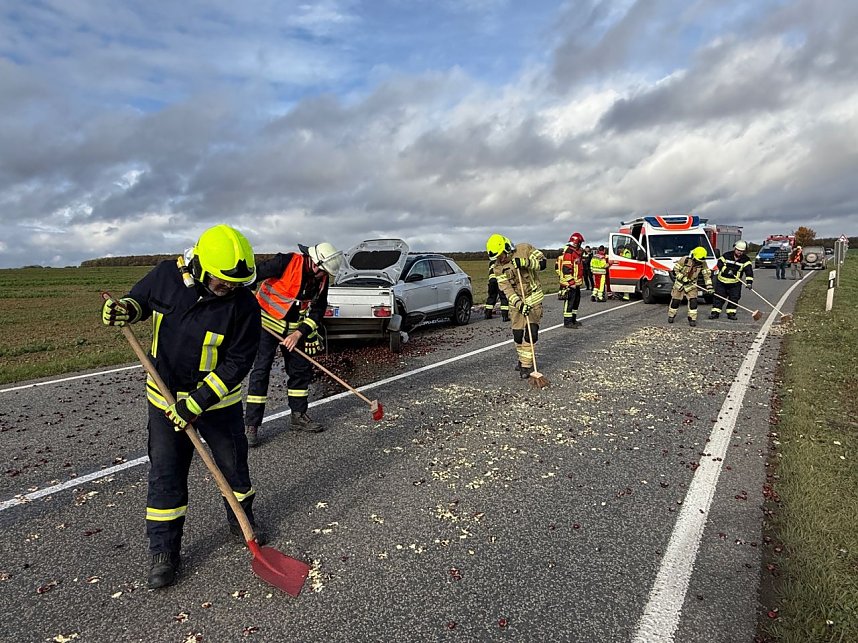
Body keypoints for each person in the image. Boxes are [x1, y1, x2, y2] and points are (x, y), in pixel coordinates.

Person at [101, 224, 263, 589]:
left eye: (236, 284)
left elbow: (237, 363)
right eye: (223, 282)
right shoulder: (166, 277)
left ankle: (243, 523)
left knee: (234, 469)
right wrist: (124, 309)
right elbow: (138, 302)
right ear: (200, 267)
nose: (230, 289)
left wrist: (199, 402)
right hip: (166, 400)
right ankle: (163, 553)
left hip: (218, 404)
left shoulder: (244, 307)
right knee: (166, 475)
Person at [244, 243, 345, 445]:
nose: (322, 275)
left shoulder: (322, 280)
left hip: (293, 331)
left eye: (326, 273)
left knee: (300, 371)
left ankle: (298, 415)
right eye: (321, 270)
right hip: (266, 325)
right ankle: (252, 425)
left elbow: (318, 310)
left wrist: (299, 333)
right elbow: (252, 276)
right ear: (314, 261)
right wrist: (245, 300)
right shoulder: (286, 262)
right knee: (261, 371)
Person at [486, 234, 546, 378]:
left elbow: (543, 264)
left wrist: (526, 262)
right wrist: (519, 304)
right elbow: (506, 289)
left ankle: (526, 366)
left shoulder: (525, 248)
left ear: (507, 248)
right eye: (497, 258)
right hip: (517, 303)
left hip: (533, 298)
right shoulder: (497, 268)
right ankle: (522, 360)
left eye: (501, 256)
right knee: (518, 335)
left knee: (531, 333)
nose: (500, 260)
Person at [667, 247, 712, 327]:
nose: (699, 262)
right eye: (698, 260)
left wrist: (709, 287)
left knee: (693, 301)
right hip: (680, 284)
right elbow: (675, 271)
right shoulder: (685, 260)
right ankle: (671, 315)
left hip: (691, 285)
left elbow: (707, 276)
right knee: (675, 301)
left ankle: (692, 319)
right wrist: (683, 278)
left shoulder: (703, 263)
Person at [710, 240, 754, 320]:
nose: (739, 252)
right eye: (738, 250)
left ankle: (731, 313)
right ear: (735, 248)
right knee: (719, 297)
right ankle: (715, 313)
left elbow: (749, 272)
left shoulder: (746, 260)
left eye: (741, 251)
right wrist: (726, 270)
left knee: (734, 298)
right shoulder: (727, 255)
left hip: (735, 283)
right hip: (722, 281)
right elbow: (719, 264)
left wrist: (749, 283)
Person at [559, 232, 585, 328]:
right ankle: (567, 322)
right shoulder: (569, 252)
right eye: (579, 243)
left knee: (576, 301)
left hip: (576, 282)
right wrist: (571, 282)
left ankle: (573, 319)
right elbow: (566, 268)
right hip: (570, 283)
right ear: (576, 242)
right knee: (569, 302)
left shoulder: (576, 252)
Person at [484, 256, 510, 321]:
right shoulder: (501, 262)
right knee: (503, 298)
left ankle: (488, 314)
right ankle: (505, 317)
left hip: (492, 282)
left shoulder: (491, 263)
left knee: (491, 297)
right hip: (500, 281)